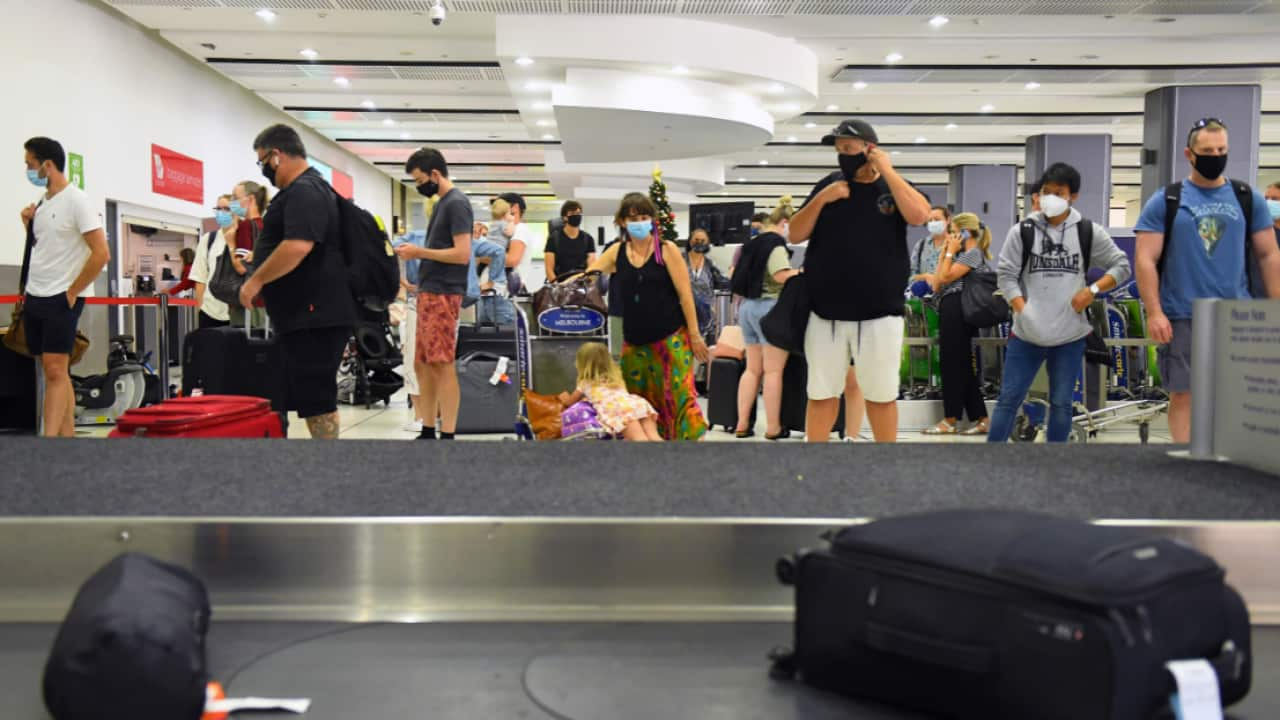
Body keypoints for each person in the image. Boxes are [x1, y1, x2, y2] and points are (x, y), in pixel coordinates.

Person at [1134, 119, 1280, 444]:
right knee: (1184, 394)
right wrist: (1154, 312)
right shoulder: (1167, 199)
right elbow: (1145, 259)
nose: (1215, 156)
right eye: (1207, 151)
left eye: (1221, 150)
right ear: (1190, 153)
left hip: (1237, 316)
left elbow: (1269, 255)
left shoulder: (1247, 198)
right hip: (1183, 314)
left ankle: (1227, 462)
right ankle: (1188, 462)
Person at [786, 119, 931, 443]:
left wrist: (888, 172)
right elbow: (795, 233)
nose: (843, 156)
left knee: (881, 394)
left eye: (849, 149)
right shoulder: (829, 184)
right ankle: (815, 466)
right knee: (821, 393)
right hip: (826, 313)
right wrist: (823, 198)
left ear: (870, 149)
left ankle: (884, 467)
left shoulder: (894, 189)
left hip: (880, 313)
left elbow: (920, 215)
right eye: (839, 151)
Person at [989, 162, 1133, 443]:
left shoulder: (1088, 232)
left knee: (1061, 402)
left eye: (1058, 192)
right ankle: (991, 459)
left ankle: (1055, 461)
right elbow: (1005, 276)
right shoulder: (1022, 232)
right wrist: (1022, 308)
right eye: (1046, 191)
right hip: (1026, 334)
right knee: (1009, 399)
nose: (1050, 198)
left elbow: (1122, 266)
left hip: (1069, 335)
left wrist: (1091, 290)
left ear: (1073, 196)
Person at [238, 124, 357, 440]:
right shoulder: (312, 188)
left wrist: (256, 281)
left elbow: (297, 246)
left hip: (314, 315)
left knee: (316, 395)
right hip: (308, 313)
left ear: (276, 155)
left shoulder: (305, 190)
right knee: (310, 393)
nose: (263, 168)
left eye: (262, 160)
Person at [584, 192, 709, 440]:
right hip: (634, 343)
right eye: (633, 218)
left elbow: (685, 295)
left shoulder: (666, 250)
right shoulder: (617, 252)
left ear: (652, 220)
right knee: (640, 404)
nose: (639, 222)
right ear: (621, 222)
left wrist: (695, 335)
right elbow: (589, 274)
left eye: (644, 217)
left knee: (678, 398)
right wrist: (564, 284)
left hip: (670, 340)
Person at [19, 137, 110, 438]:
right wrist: (28, 225)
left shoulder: (77, 200)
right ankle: (68, 438)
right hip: (37, 294)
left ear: (47, 164)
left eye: (30, 163)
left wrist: (73, 291)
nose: (27, 169)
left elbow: (101, 253)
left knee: (56, 370)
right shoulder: (43, 204)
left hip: (62, 296)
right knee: (56, 372)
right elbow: (45, 248)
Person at [394, 147, 473, 440]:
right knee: (423, 363)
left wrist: (419, 252)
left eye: (419, 179)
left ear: (435, 174)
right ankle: (428, 427)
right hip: (429, 292)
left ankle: (448, 433)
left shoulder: (456, 204)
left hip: (443, 293)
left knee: (440, 362)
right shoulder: (443, 203)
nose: (418, 186)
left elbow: (462, 253)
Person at [730, 196, 799, 440]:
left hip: (747, 308)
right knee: (772, 372)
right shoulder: (776, 245)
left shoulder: (752, 243)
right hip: (770, 309)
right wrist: (801, 272)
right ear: (784, 222)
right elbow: (780, 275)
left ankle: (741, 424)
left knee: (751, 370)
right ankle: (772, 428)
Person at [923, 212, 992, 435]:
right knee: (960, 366)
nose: (949, 236)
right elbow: (936, 283)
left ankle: (950, 418)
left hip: (959, 310)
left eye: (953, 232)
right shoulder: (960, 255)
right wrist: (946, 252)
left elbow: (944, 278)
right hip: (950, 308)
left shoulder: (973, 254)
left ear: (964, 232)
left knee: (952, 364)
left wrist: (950, 251)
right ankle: (981, 418)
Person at [559, 342, 662, 441]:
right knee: (654, 437)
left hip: (618, 409)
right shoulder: (617, 378)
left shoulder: (585, 383)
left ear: (581, 363)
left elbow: (570, 402)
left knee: (638, 439)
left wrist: (564, 397)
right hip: (637, 403)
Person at [395, 228, 427, 433]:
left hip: (419, 301)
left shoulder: (415, 237)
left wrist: (403, 283)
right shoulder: (458, 238)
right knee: (441, 364)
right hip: (450, 303)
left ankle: (421, 416)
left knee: (413, 360)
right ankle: (434, 416)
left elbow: (391, 248)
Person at [228, 180, 269, 326]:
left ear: (250, 199)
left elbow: (241, 267)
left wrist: (231, 243)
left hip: (247, 307)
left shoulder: (245, 226)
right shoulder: (265, 225)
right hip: (265, 304)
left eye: (235, 197)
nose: (231, 202)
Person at [188, 195, 233, 328]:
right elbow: (200, 277)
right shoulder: (208, 239)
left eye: (226, 209)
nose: (221, 213)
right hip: (210, 312)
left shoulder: (245, 238)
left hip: (237, 313)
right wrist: (201, 307)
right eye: (218, 209)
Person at [685, 228, 727, 347]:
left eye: (703, 240)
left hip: (707, 316)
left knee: (708, 352)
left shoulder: (710, 264)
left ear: (708, 243)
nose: (699, 243)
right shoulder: (680, 259)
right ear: (690, 241)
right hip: (684, 314)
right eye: (696, 240)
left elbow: (722, 282)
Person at [475, 199, 513, 326]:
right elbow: (509, 233)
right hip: (497, 252)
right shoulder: (503, 224)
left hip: (489, 252)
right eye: (509, 213)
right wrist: (512, 223)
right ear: (505, 214)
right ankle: (491, 282)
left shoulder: (493, 225)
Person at [544, 200, 596, 281]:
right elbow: (549, 269)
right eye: (572, 213)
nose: (577, 216)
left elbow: (591, 267)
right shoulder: (554, 239)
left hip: (581, 284)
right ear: (565, 217)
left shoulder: (588, 239)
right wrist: (558, 287)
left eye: (578, 213)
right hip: (560, 284)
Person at [497, 192, 534, 295]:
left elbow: (512, 260)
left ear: (515, 207)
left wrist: (485, 257)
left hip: (508, 292)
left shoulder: (520, 229)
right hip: (500, 291)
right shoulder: (506, 230)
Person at [909, 206, 951, 289]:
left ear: (948, 220)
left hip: (947, 297)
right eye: (930, 220)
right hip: (923, 298)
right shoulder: (921, 245)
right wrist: (925, 277)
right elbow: (911, 276)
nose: (933, 223)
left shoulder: (955, 244)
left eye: (937, 219)